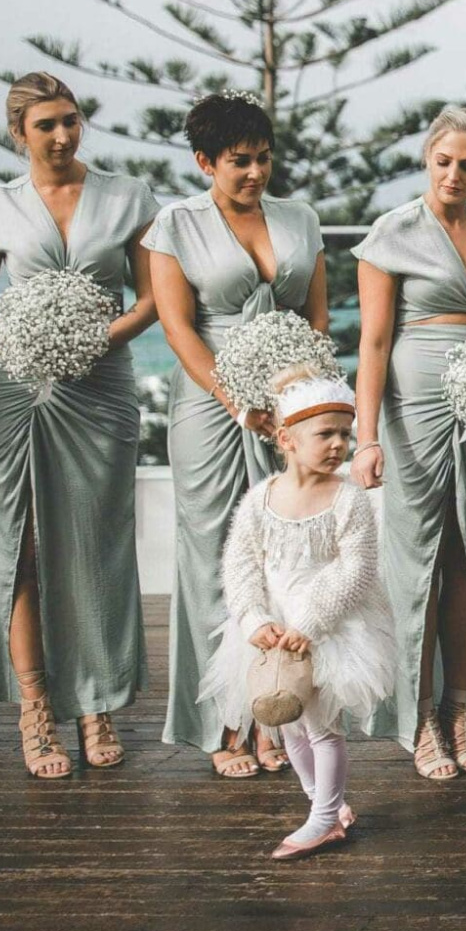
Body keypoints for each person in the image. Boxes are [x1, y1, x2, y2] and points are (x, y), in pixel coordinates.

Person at [0, 72, 159, 777]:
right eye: (46, 124)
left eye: (71, 120)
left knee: (96, 546)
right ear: (17, 132)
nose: (62, 135)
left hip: (102, 388)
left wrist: (94, 341)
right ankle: (34, 707)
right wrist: (25, 341)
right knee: (19, 545)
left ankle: (96, 702)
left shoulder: (128, 196)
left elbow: (149, 301)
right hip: (21, 389)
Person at [146, 92, 328, 777]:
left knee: (285, 556)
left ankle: (273, 710)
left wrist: (298, 398)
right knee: (214, 559)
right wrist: (237, 400)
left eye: (262, 158)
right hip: (211, 408)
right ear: (204, 162)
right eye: (238, 163)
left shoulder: (300, 218)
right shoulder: (175, 225)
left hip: (288, 404)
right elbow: (178, 329)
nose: (255, 173)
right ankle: (223, 722)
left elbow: (314, 315)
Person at [353, 107, 466, 780]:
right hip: (414, 403)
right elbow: (372, 340)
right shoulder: (390, 234)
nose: (454, 174)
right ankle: (419, 718)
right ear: (427, 159)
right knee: (416, 562)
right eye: (443, 161)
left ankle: (460, 709)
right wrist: (365, 437)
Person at [201, 366, 395, 861]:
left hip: (327, 627)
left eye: (344, 435)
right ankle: (319, 803)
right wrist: (251, 619)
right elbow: (240, 564)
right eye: (324, 434)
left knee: (323, 726)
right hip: (274, 625)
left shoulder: (348, 499)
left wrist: (310, 624)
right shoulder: (260, 499)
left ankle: (325, 818)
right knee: (288, 722)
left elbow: (356, 569)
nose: (337, 445)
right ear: (286, 438)